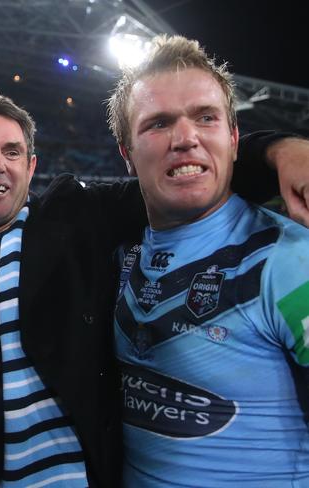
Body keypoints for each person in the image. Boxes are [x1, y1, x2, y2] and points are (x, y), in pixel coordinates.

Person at [0, 91, 309, 488]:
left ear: (31, 166)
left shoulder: (77, 223)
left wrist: (280, 151)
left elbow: (178, 172)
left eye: (11, 152)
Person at [108, 35, 309, 486]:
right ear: (127, 155)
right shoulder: (115, 252)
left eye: (205, 118)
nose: (185, 139)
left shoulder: (291, 261)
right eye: (158, 124)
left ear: (235, 140)